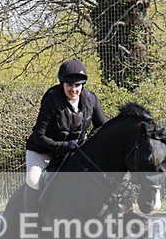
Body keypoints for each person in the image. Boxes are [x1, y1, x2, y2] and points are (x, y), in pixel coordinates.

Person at [25, 59, 108, 192]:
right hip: (43, 150)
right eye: (69, 85)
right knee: (33, 180)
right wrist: (65, 146)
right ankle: (31, 213)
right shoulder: (51, 101)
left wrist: (86, 144)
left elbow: (102, 126)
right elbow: (39, 136)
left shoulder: (91, 99)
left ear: (83, 85)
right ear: (62, 84)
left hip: (73, 150)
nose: (73, 89)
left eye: (77, 85)